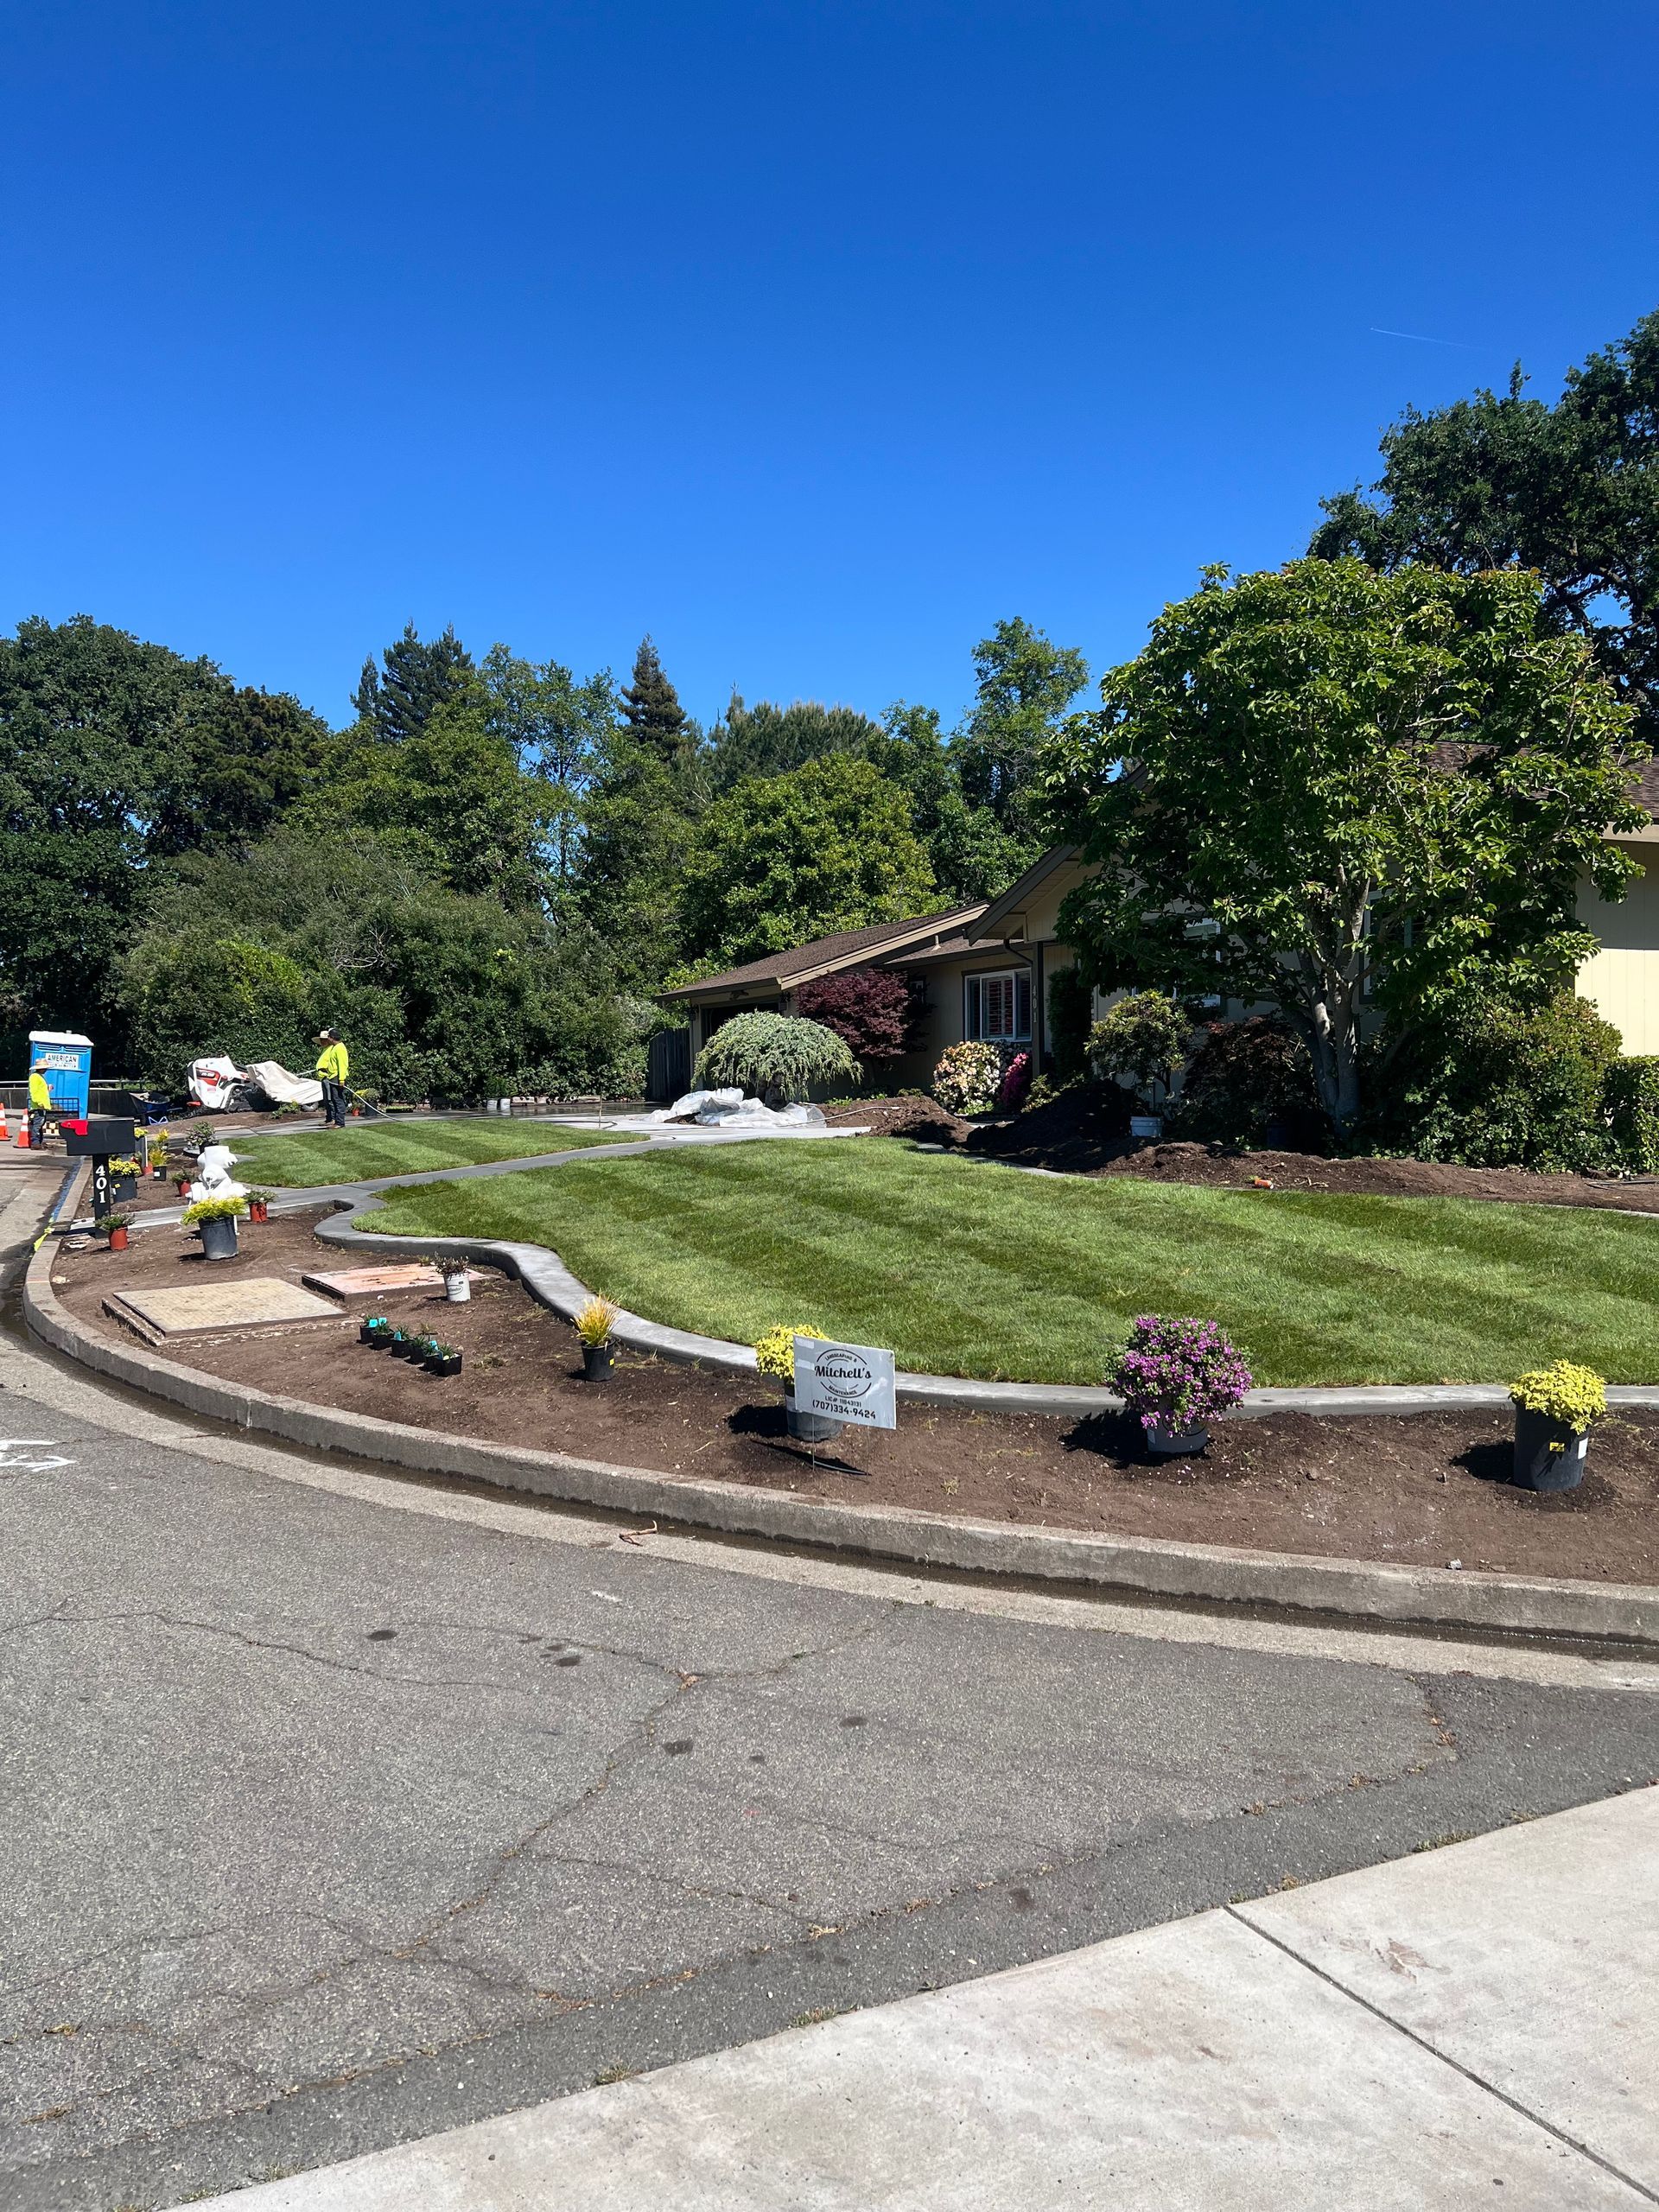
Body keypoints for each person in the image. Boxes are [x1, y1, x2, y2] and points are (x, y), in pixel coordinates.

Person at [315, 1028, 350, 1128]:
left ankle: (340, 1122)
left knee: (338, 1100)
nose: (328, 1038)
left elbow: (342, 1065)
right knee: (335, 1099)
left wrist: (341, 1079)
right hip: (332, 1076)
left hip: (337, 1077)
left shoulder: (340, 1048)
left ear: (332, 1038)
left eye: (329, 1037)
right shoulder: (335, 1047)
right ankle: (336, 1121)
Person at [27, 1065, 51, 1147]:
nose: (46, 1069)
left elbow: (39, 1090)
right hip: (39, 1106)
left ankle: (39, 1142)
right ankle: (35, 1142)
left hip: (42, 1105)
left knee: (40, 1124)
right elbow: (34, 1091)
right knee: (38, 1124)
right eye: (45, 1068)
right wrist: (40, 1103)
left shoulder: (39, 1076)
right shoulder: (35, 1077)